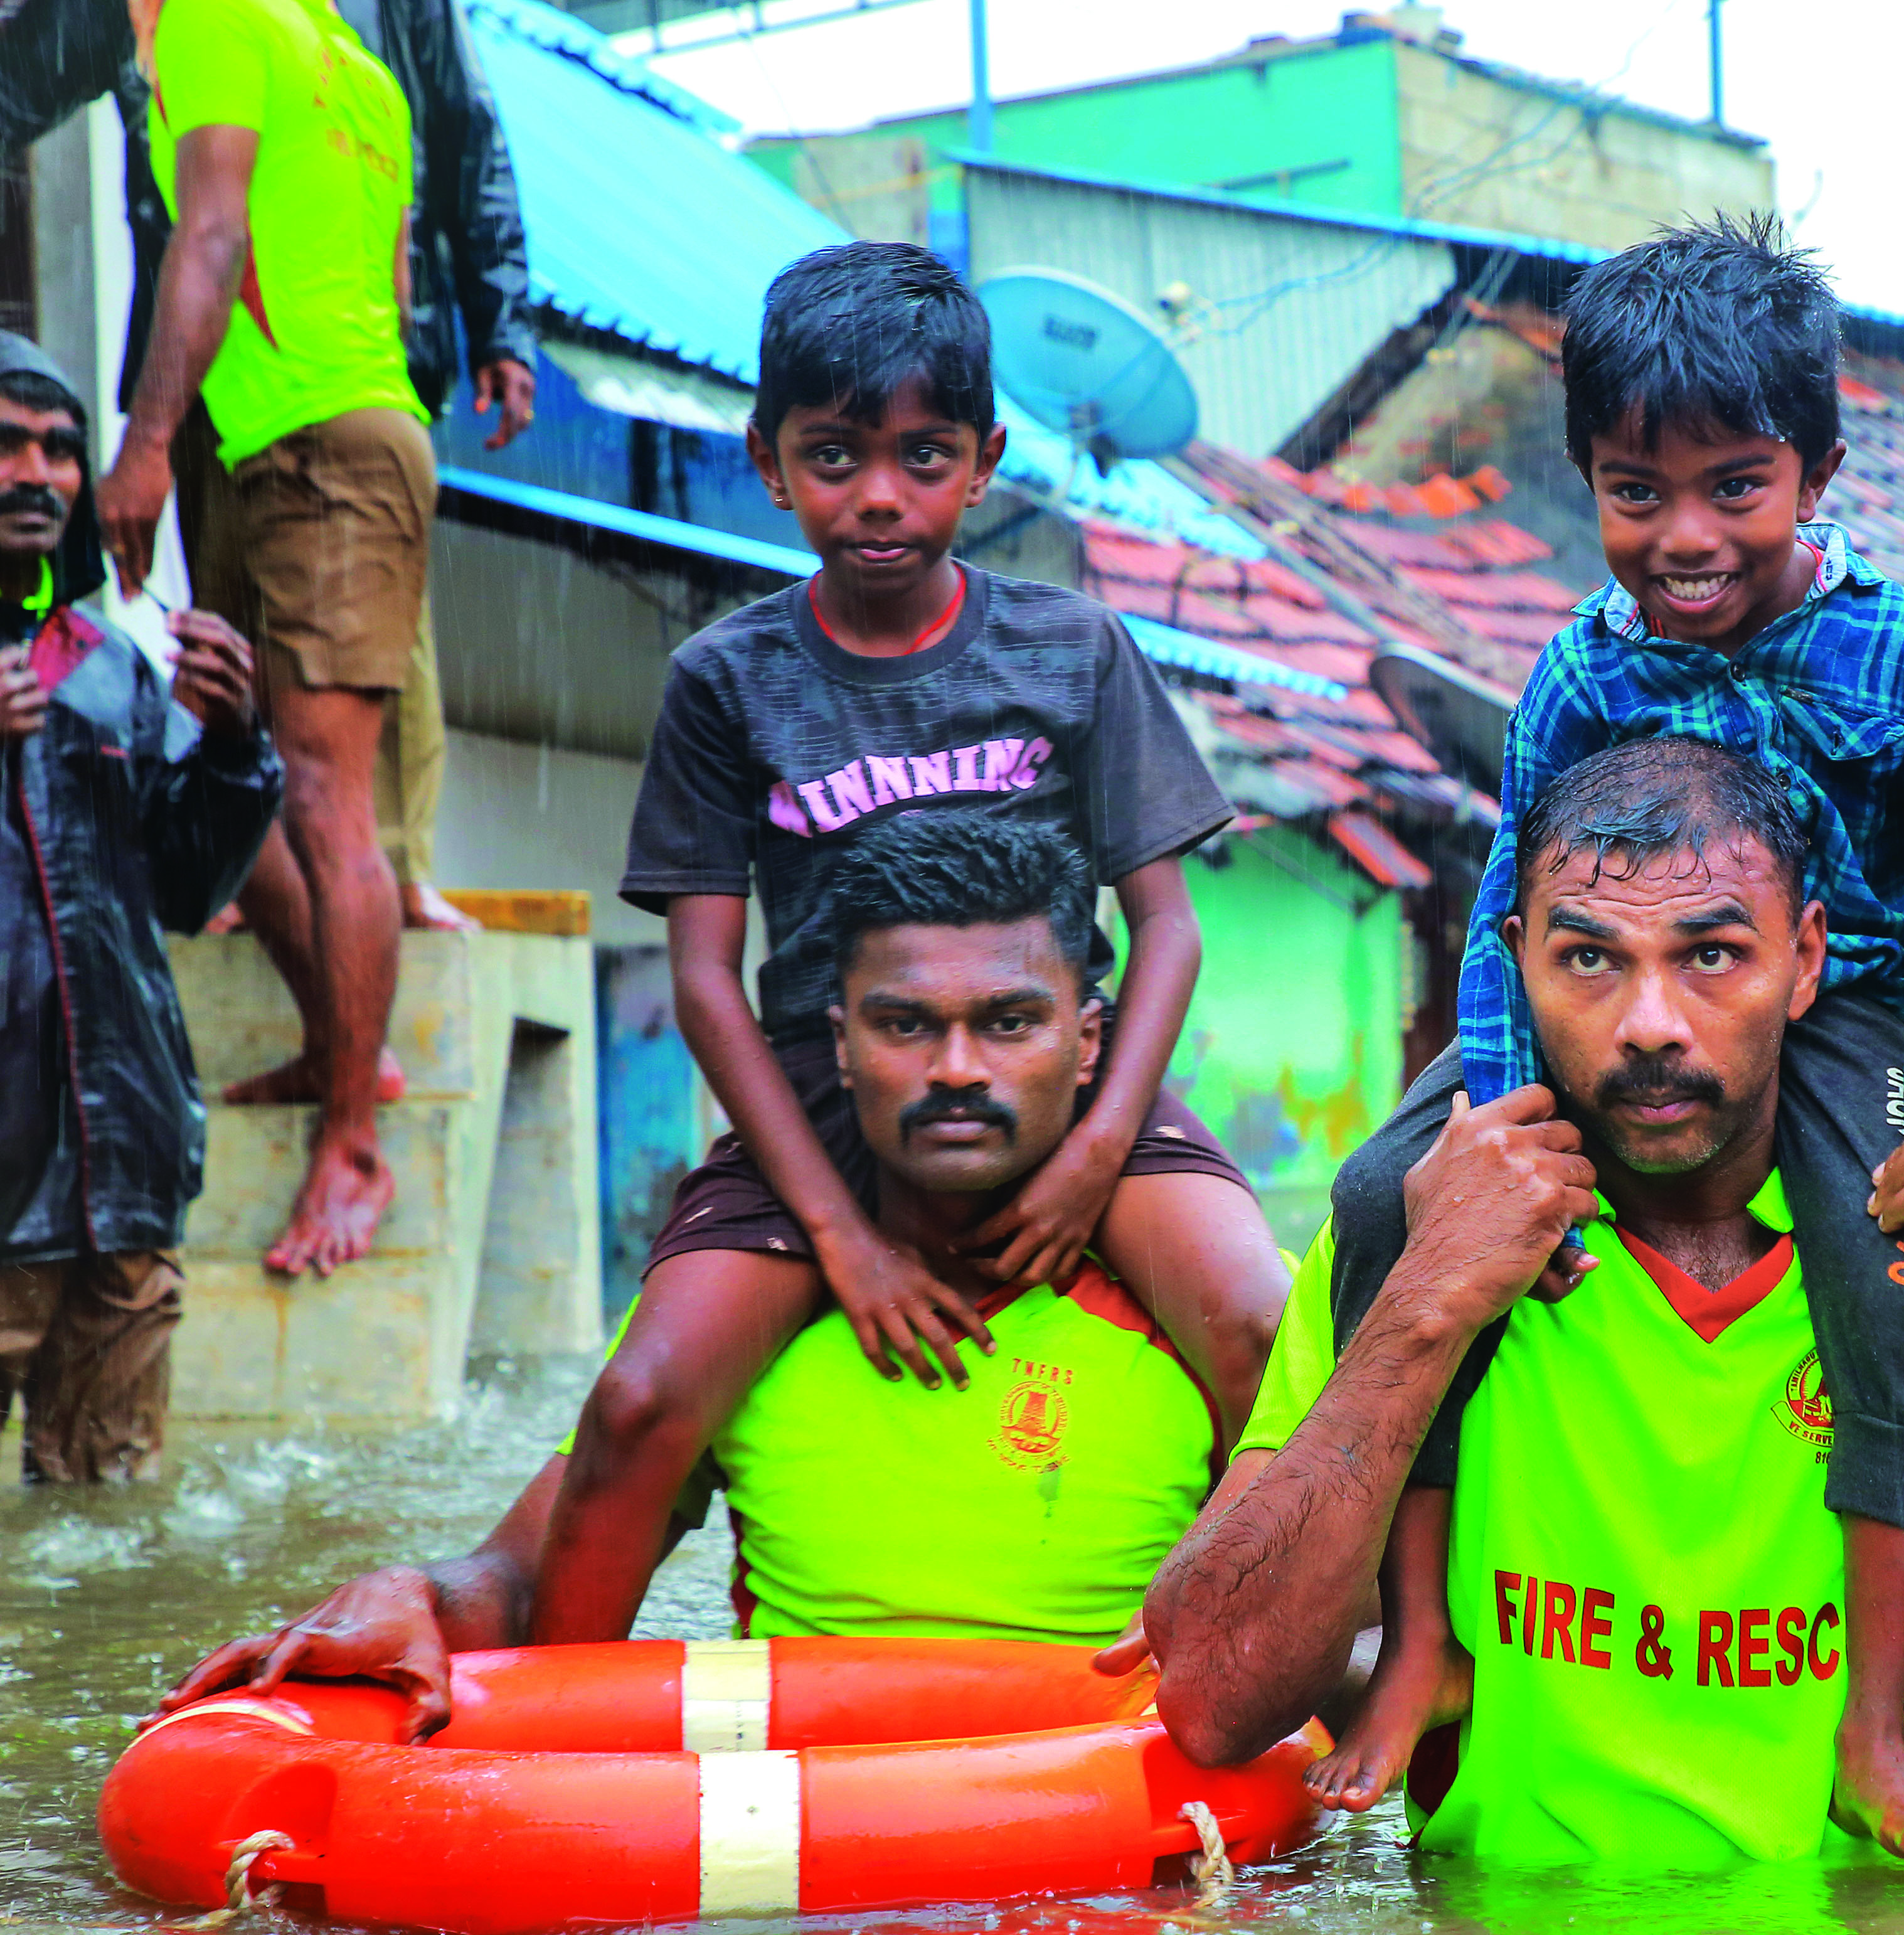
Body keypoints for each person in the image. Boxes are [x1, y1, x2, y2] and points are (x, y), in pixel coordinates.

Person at [1141, 738, 1904, 1870]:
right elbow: (1219, 1703)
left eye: (1712, 954)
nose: (1650, 1023)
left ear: (1807, 958)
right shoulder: (1428, 1222)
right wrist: (1424, 1308)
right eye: (1589, 960)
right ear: (1516, 962)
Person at [1320, 218, 1904, 1865]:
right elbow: (1516, 909)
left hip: (1851, 1006)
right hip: (1610, 1006)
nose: (1685, 535)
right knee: (1392, 1195)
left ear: (1818, 471)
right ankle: (1426, 1638)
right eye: (1635, 492)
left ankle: (1871, 1725)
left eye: (1736, 486)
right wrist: (1517, 1124)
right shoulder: (1577, 672)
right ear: (1587, 478)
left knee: (1894, 1273)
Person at [535, 242, 1285, 1642]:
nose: (879, 496)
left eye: (923, 456)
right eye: (834, 456)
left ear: (986, 459)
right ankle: (547, 1738)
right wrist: (839, 1235)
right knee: (640, 1401)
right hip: (824, 1100)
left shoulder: (1073, 650)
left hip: (1066, 1087)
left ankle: (1305, 1659)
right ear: (767, 460)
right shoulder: (725, 678)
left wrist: (1099, 1155)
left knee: (1263, 1327)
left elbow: (1166, 928)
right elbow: (706, 976)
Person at [157, 814, 1263, 1719]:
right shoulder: (754, 1313)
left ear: (1089, 1043)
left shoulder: (1190, 1315)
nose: (957, 1069)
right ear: (838, 1046)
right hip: (799, 1868)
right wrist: (411, 1591)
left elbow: (1338, 1611)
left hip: (1120, 1866)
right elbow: (519, 1584)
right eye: (905, 1026)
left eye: (1010, 1022)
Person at [0, 0, 541, 934]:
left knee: (368, 655)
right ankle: (255, 867)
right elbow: (21, 78)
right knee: (228, 631)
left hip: (344, 375)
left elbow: (464, 128)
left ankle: (395, 867)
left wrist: (501, 318)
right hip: (207, 361)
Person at [98, 0, 437, 1277]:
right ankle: (342, 1042)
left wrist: (140, 445)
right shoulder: (353, 57)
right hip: (281, 437)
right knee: (236, 769)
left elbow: (212, 231)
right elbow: (392, 281)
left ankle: (353, 1142)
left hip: (319, 447)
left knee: (321, 798)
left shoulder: (215, 23)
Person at [0, 332, 280, 1480]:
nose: (40, 474)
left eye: (63, 449)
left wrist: (232, 745)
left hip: (125, 1169)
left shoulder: (111, 669)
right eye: (7, 447)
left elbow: (185, 889)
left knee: (110, 1523)